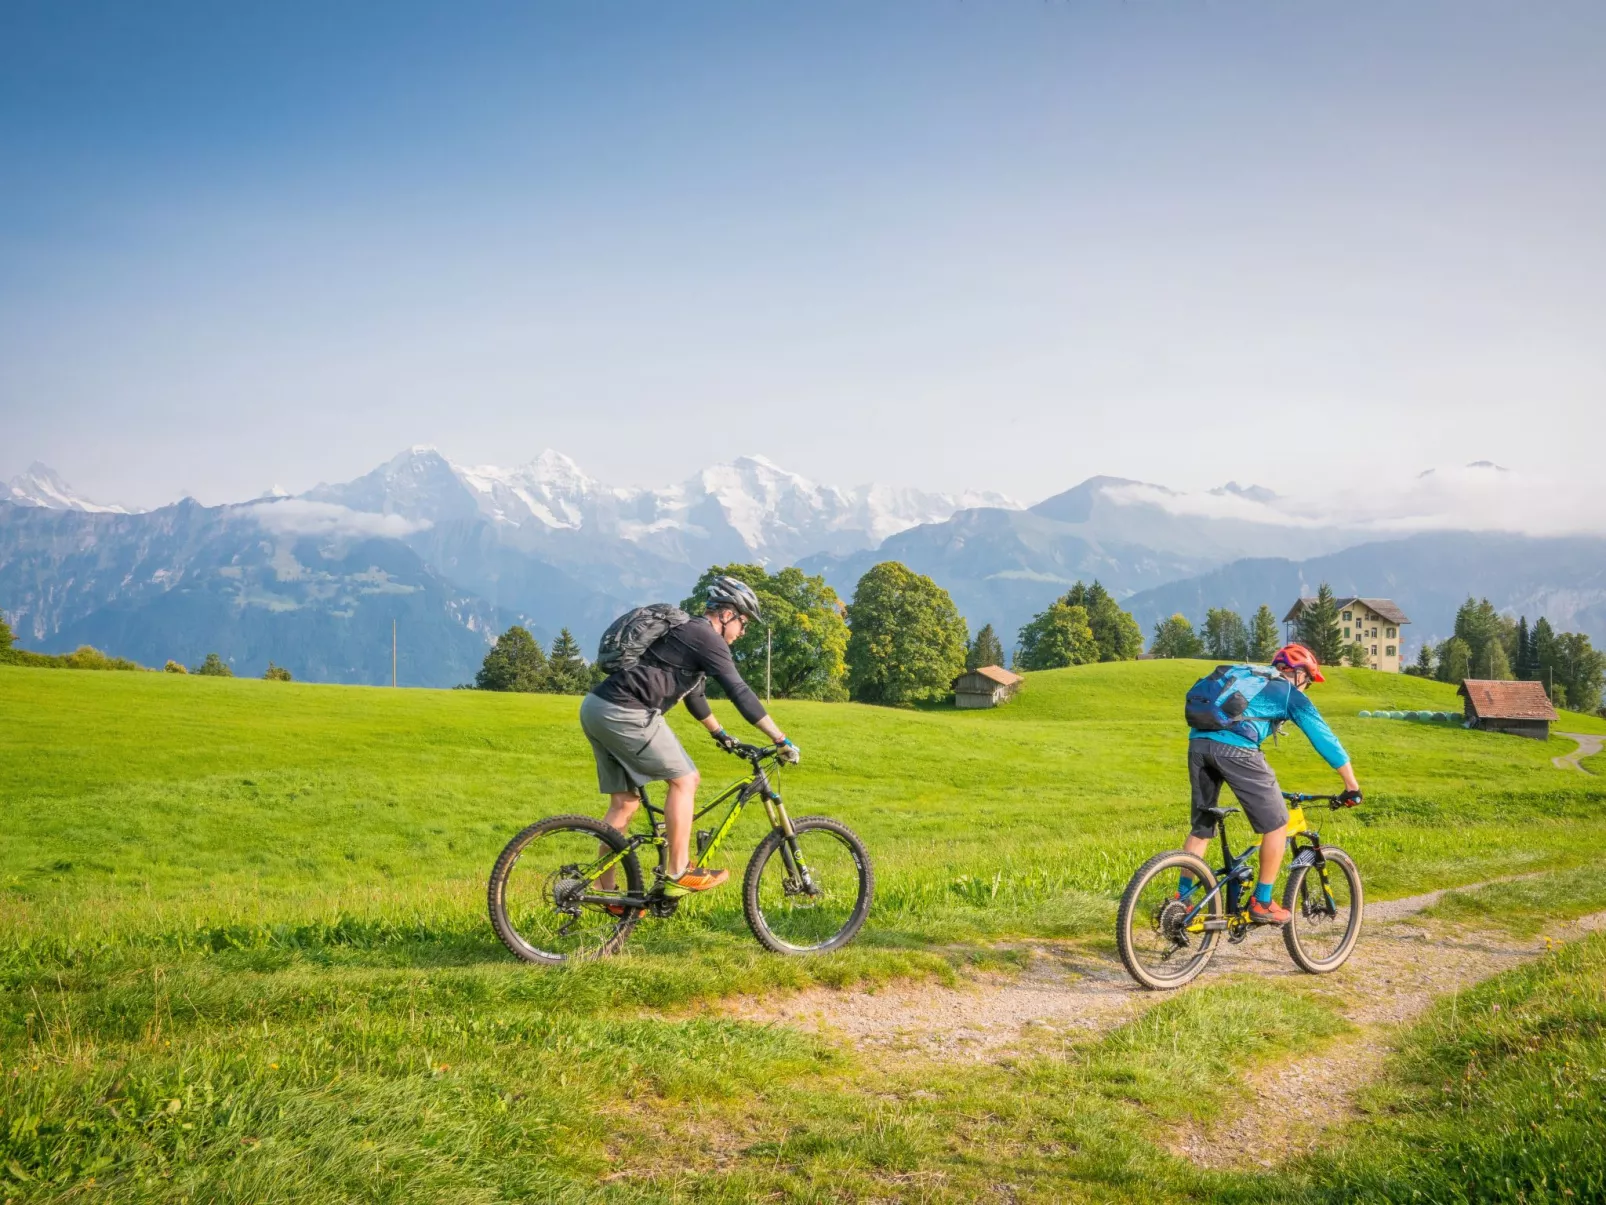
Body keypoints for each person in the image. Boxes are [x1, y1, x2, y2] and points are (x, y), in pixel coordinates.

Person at [581, 576, 799, 897]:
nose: (743, 631)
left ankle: (604, 888)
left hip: (597, 707)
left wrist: (721, 735)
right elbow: (739, 690)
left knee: (624, 804)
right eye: (743, 621)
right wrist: (780, 739)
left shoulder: (688, 635)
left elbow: (695, 697)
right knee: (686, 780)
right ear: (726, 615)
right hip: (629, 711)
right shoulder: (707, 638)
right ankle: (678, 871)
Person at [1182, 643, 1361, 925]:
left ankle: (1182, 902)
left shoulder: (1246, 674)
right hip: (1237, 750)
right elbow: (1325, 739)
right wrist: (1352, 785)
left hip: (1198, 743)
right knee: (1279, 824)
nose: (1307, 688)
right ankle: (1262, 902)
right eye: (1309, 682)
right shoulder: (1288, 692)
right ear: (1299, 673)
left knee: (1202, 826)